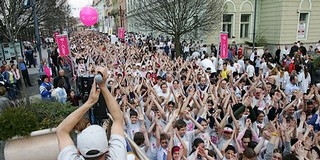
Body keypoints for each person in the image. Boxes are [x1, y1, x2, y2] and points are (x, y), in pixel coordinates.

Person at [57, 66, 127, 160]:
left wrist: (90, 102)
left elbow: (62, 131)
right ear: (107, 150)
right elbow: (118, 118)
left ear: (78, 151)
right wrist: (102, 86)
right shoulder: (117, 157)